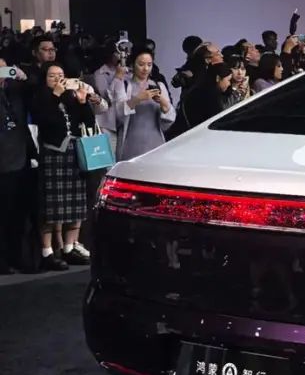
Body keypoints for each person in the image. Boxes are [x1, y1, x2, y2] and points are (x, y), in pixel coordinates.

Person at [29, 62, 102, 270]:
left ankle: (70, 248)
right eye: (52, 76)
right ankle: (47, 251)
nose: (57, 79)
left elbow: (88, 122)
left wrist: (82, 102)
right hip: (53, 153)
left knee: (75, 203)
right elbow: (45, 121)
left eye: (60, 75)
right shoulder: (41, 98)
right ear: (45, 79)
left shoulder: (70, 97)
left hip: (74, 152)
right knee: (52, 206)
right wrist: (55, 95)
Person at [0, 59, 36, 274]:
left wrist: (22, 76)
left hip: (21, 158)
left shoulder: (15, 89)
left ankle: (17, 256)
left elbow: (35, 89)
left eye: (3, 68)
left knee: (19, 215)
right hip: (2, 162)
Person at [111, 49, 175, 161]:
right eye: (141, 64)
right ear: (132, 65)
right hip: (130, 144)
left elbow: (169, 120)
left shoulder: (158, 86)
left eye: (149, 65)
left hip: (156, 143)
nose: (145, 69)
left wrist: (163, 102)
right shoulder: (124, 85)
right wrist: (137, 99)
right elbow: (117, 115)